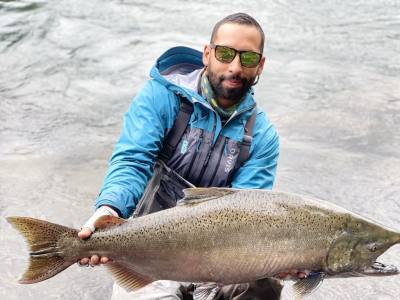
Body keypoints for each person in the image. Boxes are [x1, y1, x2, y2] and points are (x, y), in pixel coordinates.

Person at [78, 12, 302, 299]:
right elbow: (133, 161)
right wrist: (109, 210)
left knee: (265, 285)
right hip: (151, 250)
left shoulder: (262, 135)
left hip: (223, 256)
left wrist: (278, 259)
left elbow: (249, 215)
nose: (234, 67)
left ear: (260, 66)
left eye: (247, 58)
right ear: (207, 54)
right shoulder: (161, 97)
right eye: (225, 54)